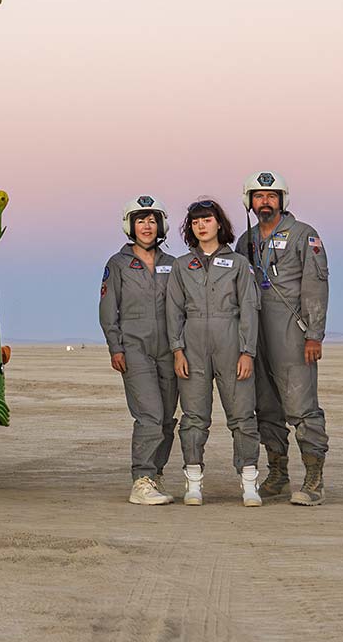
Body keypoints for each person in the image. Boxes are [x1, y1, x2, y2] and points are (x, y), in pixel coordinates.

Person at [164, 198, 262, 505]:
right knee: (193, 417)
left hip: (231, 342)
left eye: (206, 220)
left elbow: (249, 309)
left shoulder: (239, 264)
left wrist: (247, 352)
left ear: (219, 223)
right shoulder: (182, 265)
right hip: (192, 345)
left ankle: (249, 483)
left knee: (242, 416)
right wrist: (177, 350)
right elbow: (173, 311)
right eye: (195, 222)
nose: (201, 226)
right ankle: (193, 483)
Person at [242, 169, 329, 506]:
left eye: (271, 196)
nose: (265, 202)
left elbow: (315, 286)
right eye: (259, 196)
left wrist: (314, 334)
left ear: (282, 200)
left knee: (301, 406)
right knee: (265, 406)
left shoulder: (304, 235)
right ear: (249, 201)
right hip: (255, 335)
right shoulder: (246, 241)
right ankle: (277, 474)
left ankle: (314, 478)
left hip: (292, 333)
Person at [98, 193, 180, 504]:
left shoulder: (173, 264)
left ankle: (156, 474)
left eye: (152, 220)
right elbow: (108, 308)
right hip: (134, 348)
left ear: (161, 225)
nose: (147, 226)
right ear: (130, 226)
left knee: (167, 419)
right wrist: (115, 347)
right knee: (150, 415)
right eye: (141, 220)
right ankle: (141, 480)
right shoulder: (118, 264)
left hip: (170, 350)